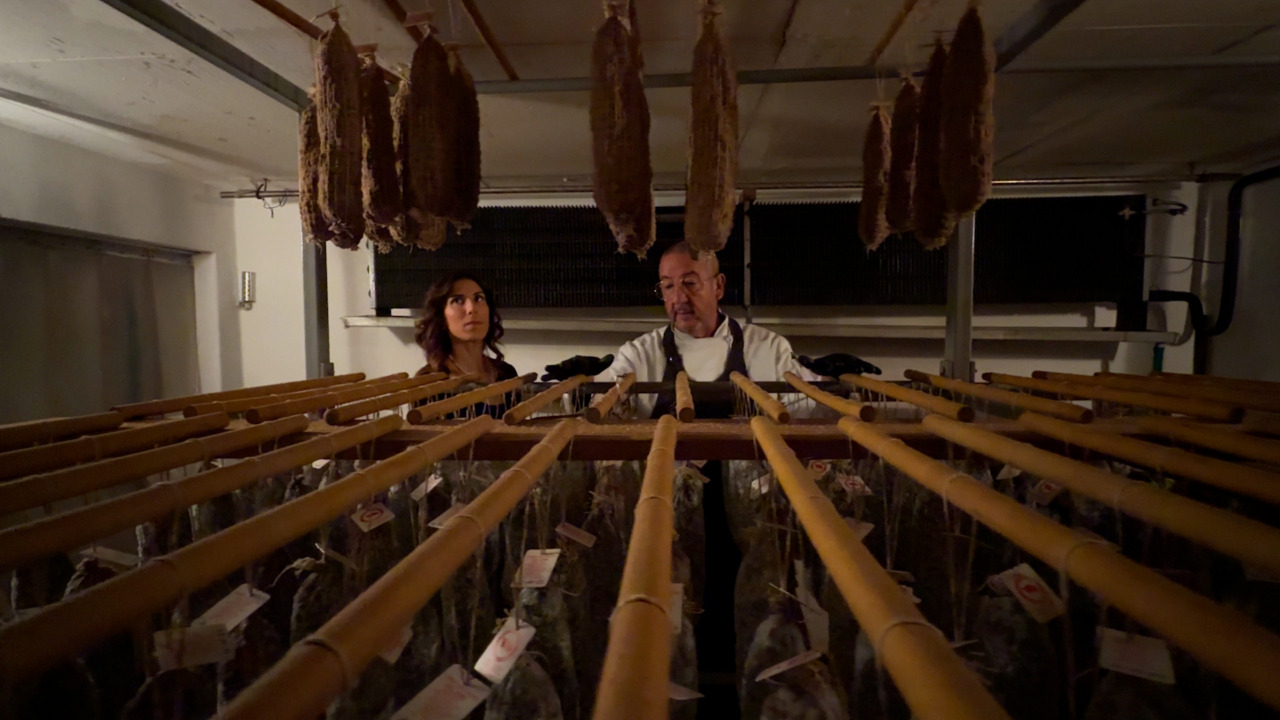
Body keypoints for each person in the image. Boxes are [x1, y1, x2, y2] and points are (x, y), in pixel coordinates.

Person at [544, 241, 879, 417]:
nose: (679, 298)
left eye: (690, 283)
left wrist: (838, 385)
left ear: (718, 286)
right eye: (668, 286)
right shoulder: (639, 353)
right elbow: (602, 409)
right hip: (667, 497)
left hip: (750, 497)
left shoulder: (767, 347)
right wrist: (578, 389)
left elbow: (806, 410)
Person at [413, 272, 519, 417]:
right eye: (457, 300)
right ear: (441, 315)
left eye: (479, 298)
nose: (471, 309)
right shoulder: (429, 384)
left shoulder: (506, 373)